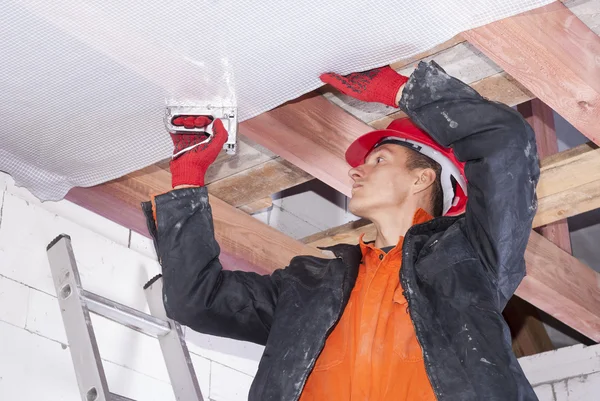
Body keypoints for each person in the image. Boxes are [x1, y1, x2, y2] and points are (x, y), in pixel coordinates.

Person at [143, 61, 540, 401]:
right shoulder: (310, 286)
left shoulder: (470, 257)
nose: (356, 170)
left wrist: (401, 90)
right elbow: (197, 300)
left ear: (422, 179)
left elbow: (505, 142)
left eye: (379, 159)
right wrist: (187, 175)